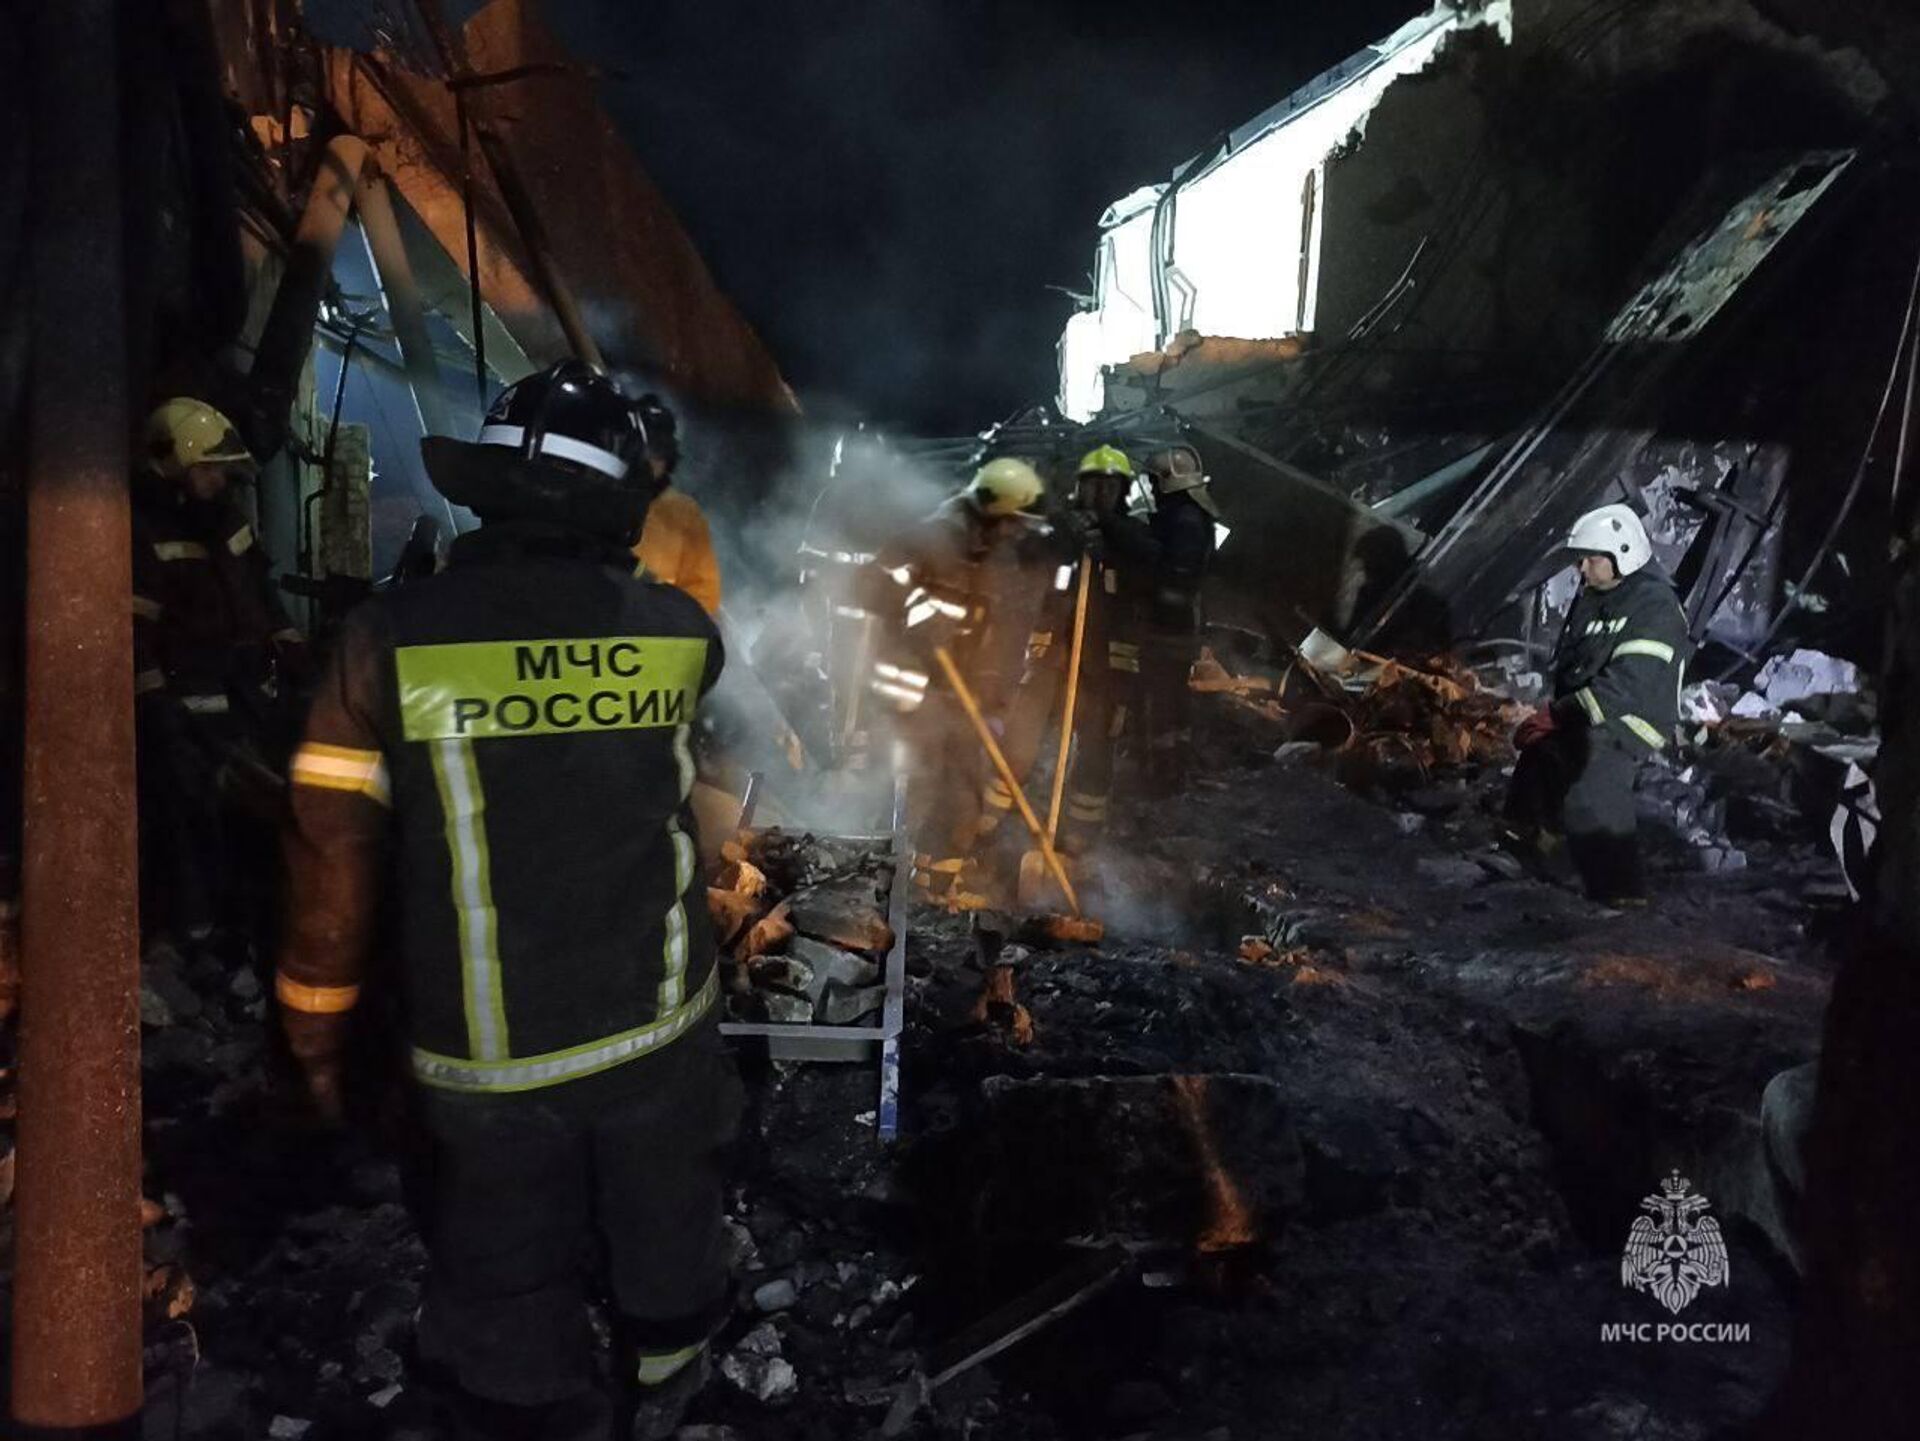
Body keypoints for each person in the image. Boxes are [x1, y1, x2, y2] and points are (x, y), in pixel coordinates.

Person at [274, 360, 741, 1441]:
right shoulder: (680, 633)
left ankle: (530, 1401)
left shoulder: (385, 641)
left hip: (487, 1050)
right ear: (623, 500)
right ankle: (669, 1372)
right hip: (660, 1022)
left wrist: (314, 1039)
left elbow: (327, 864)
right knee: (666, 1213)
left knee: (502, 1262)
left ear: (486, 489)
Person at [133, 397, 306, 957]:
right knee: (194, 814)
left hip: (245, 692)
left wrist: (288, 641)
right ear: (172, 463)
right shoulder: (144, 531)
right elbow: (133, 630)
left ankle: (247, 925)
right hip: (186, 702)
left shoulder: (226, 519)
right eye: (208, 469)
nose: (218, 481)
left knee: (257, 810)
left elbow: (259, 588)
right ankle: (198, 933)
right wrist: (155, 703)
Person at [867, 456, 1053, 895]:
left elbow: (991, 626)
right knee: (918, 783)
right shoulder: (933, 537)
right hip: (911, 685)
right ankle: (881, 879)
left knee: (966, 788)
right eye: (1014, 522)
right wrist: (914, 612)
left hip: (956, 689)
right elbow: (875, 583)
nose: (1017, 533)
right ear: (992, 511)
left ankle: (936, 885)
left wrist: (991, 696)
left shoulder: (989, 552)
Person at [1503, 502, 1689, 904]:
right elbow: (1574, 667)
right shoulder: (1596, 597)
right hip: (1595, 708)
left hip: (1636, 716)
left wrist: (1558, 715)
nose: (1581, 569)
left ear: (1623, 555)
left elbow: (1629, 685)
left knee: (1593, 764)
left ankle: (1620, 890)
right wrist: (1549, 717)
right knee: (1541, 753)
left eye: (1591, 559)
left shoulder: (1655, 606)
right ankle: (1527, 848)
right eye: (1580, 559)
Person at [1138, 444, 1220, 794]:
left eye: (1154, 481)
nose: (1152, 489)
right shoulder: (1192, 514)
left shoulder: (1184, 520)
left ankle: (1164, 775)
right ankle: (1174, 768)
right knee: (1173, 698)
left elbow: (1176, 576)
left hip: (1169, 626)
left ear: (1167, 481)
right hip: (1181, 624)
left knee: (1162, 698)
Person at [629, 391, 721, 617]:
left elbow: (704, 592)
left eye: (656, 453)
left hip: (658, 625)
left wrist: (667, 618)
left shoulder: (683, 513)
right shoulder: (600, 497)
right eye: (641, 452)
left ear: (668, 458)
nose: (648, 461)